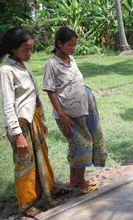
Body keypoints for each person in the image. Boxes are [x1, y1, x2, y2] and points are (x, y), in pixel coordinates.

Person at [0, 26, 64, 217]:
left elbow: (32, 95)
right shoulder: (6, 70)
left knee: (41, 156)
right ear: (13, 49)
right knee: (25, 163)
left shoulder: (23, 64)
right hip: (20, 124)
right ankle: (27, 204)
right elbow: (7, 105)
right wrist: (17, 134)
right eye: (25, 50)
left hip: (33, 119)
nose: (29, 53)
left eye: (31, 49)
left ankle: (48, 189)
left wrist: (41, 120)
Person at [43, 27, 108, 194]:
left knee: (85, 142)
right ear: (59, 44)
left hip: (83, 110)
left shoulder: (71, 60)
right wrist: (62, 115)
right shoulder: (51, 64)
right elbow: (50, 91)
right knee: (81, 145)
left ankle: (74, 181)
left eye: (75, 45)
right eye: (70, 45)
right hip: (68, 115)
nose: (73, 48)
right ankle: (81, 182)